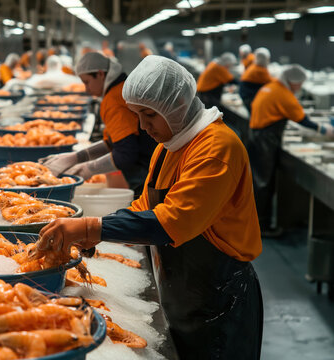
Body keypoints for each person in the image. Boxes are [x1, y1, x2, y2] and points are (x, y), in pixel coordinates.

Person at [37, 55, 263, 359]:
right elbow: (145, 206)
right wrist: (101, 229)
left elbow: (171, 222)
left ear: (177, 105)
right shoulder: (170, 146)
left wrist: (93, 227)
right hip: (185, 291)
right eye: (137, 115)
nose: (143, 127)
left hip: (221, 297)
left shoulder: (216, 149)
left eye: (148, 115)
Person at [41, 52, 156, 194]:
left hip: (146, 170)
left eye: (87, 82)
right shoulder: (121, 87)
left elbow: (126, 154)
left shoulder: (113, 99)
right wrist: (76, 157)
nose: (86, 89)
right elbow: (116, 141)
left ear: (100, 74)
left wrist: (87, 169)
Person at [249, 64, 334, 236]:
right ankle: (261, 227)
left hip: (258, 136)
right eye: (300, 83)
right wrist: (325, 130)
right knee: (263, 183)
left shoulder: (272, 86)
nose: (301, 87)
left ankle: (258, 224)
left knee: (260, 181)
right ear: (293, 81)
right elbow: (302, 119)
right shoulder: (283, 94)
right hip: (266, 139)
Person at [239, 47, 272, 112]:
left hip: (246, 95)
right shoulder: (260, 70)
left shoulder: (254, 66)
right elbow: (270, 83)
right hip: (249, 97)